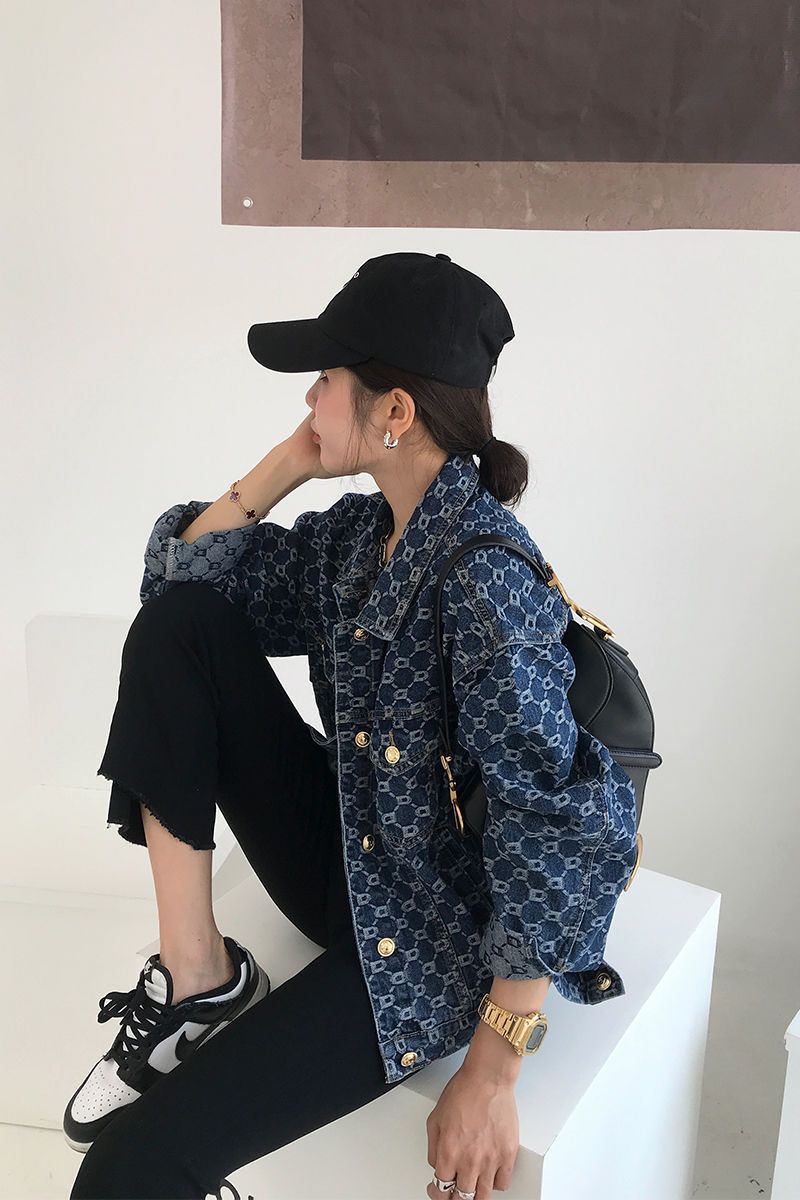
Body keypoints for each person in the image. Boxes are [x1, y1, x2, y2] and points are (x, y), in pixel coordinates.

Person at [66, 252, 638, 1200]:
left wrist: (493, 1071)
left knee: (128, 1171)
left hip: (429, 946)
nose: (309, 397)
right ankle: (198, 977)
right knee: (180, 627)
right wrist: (291, 461)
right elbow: (181, 584)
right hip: (351, 859)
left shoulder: (487, 585)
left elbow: (558, 831)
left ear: (395, 410)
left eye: (325, 377)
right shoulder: (358, 538)